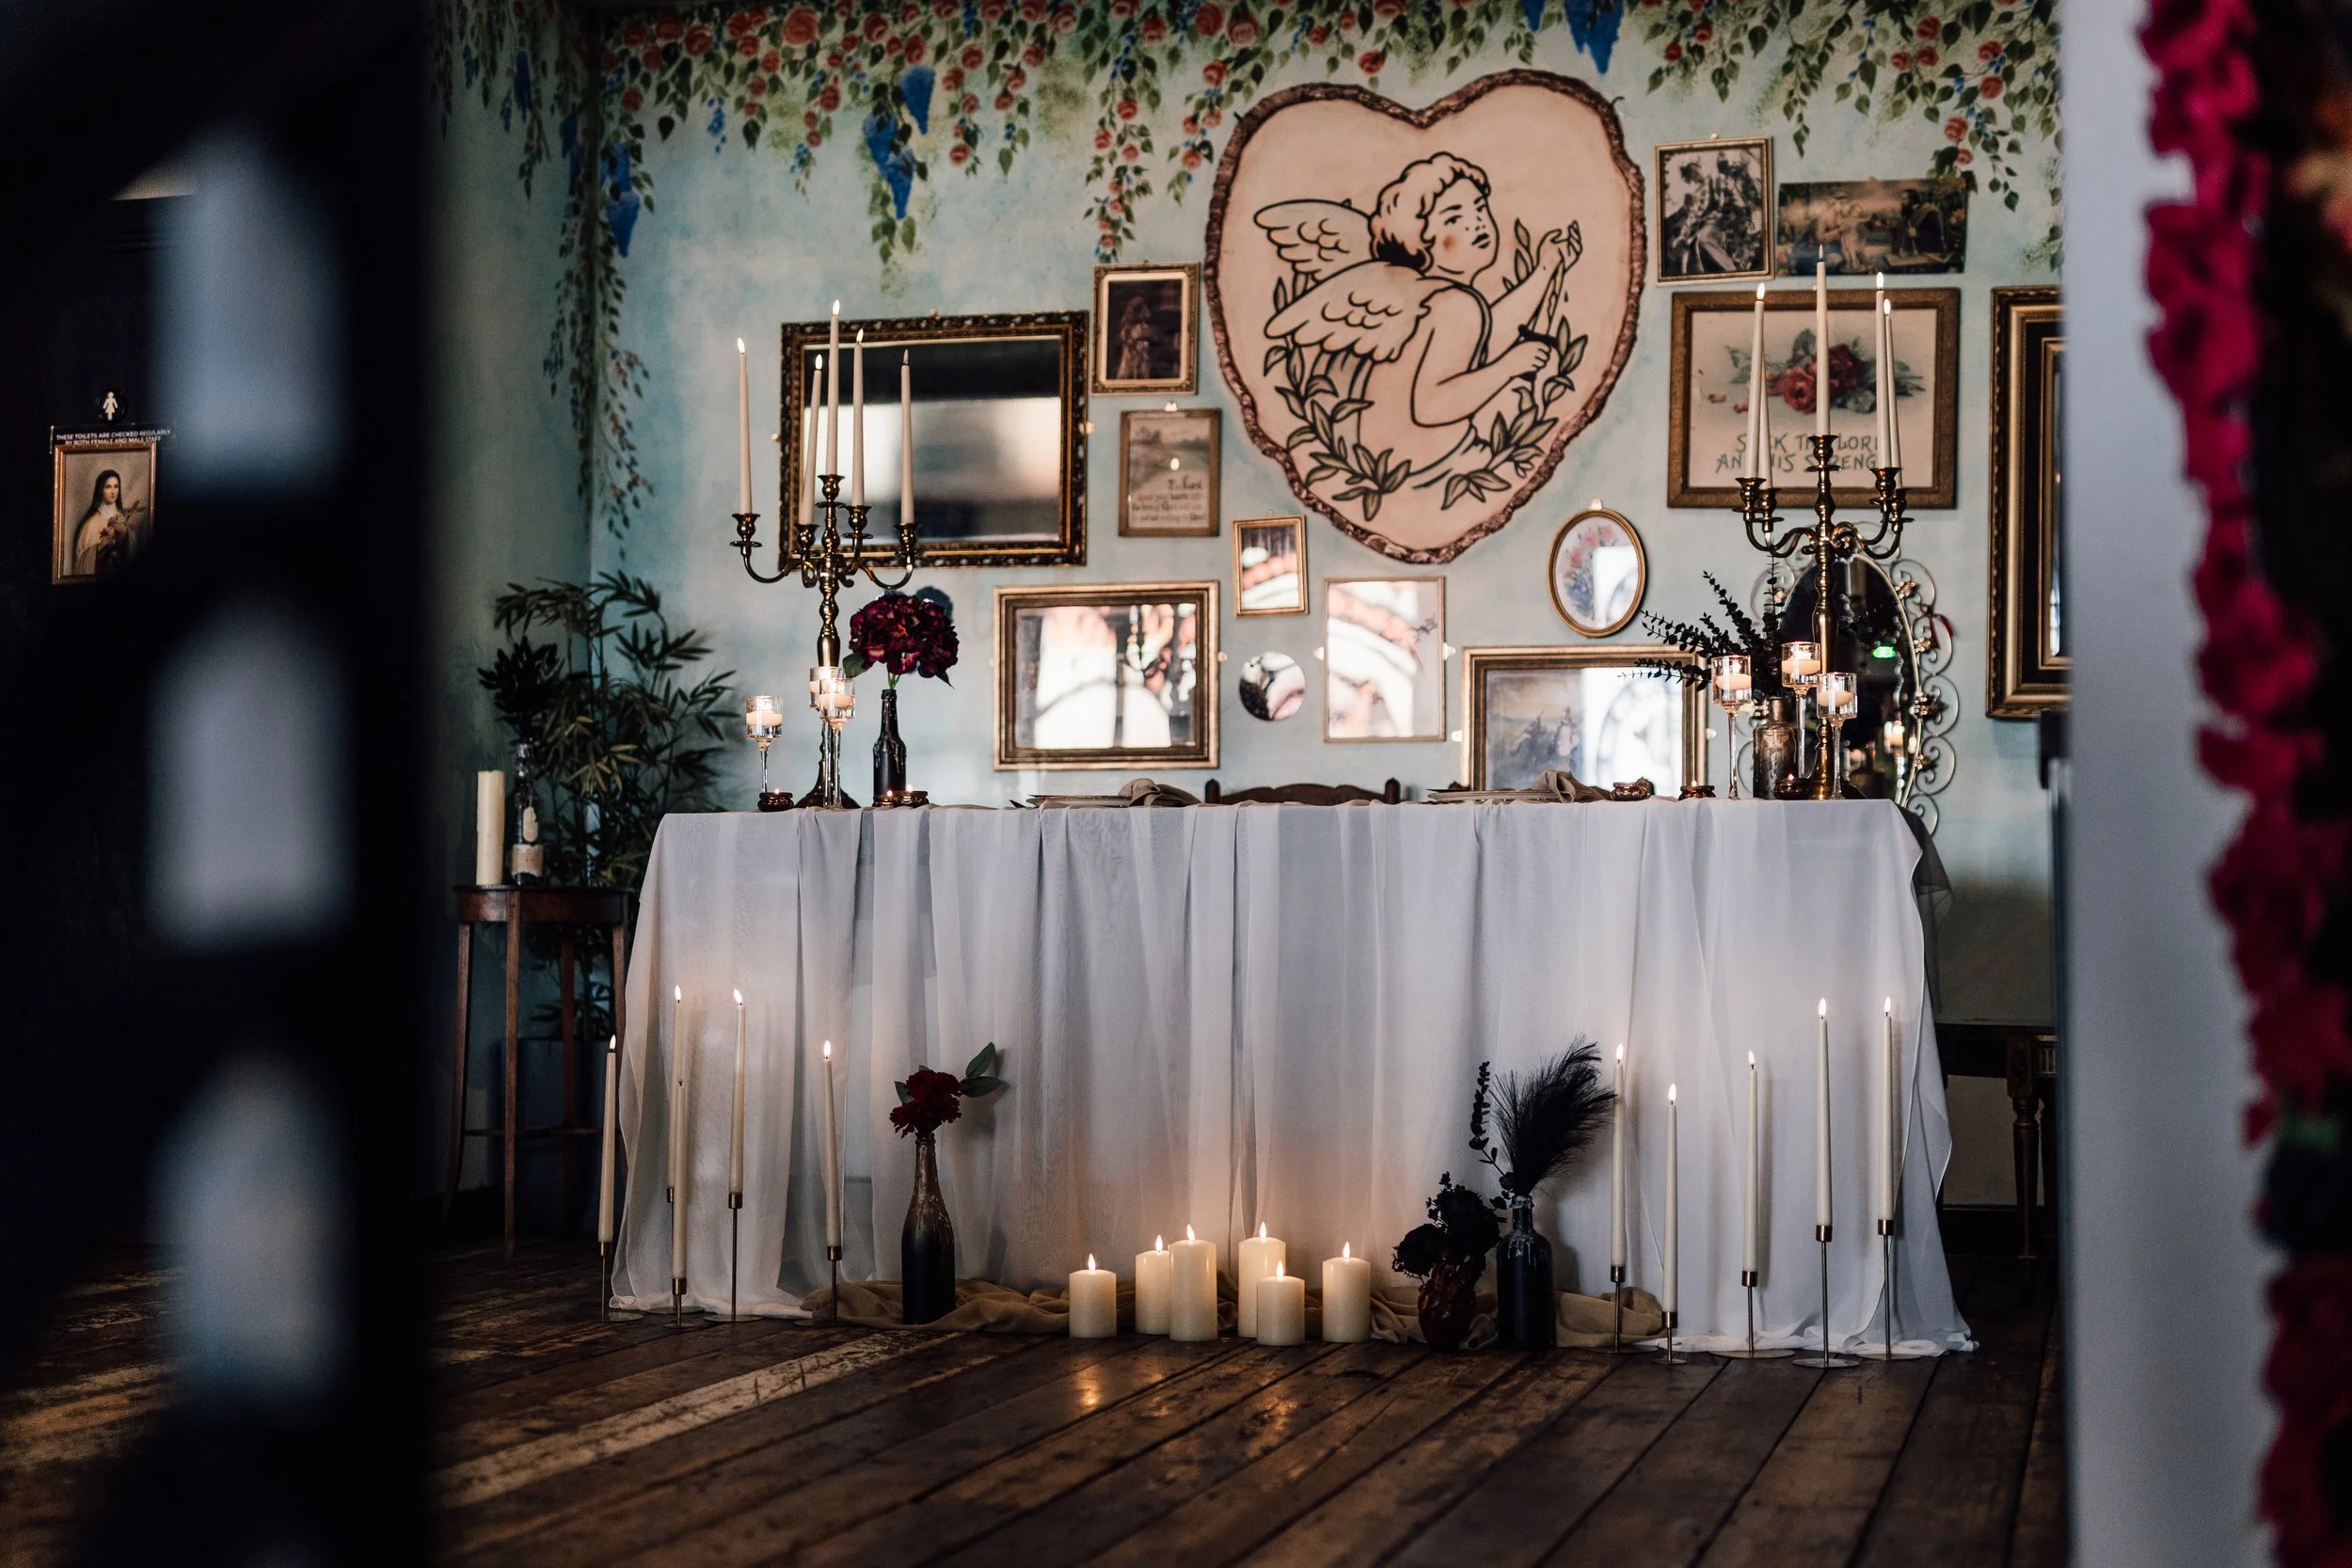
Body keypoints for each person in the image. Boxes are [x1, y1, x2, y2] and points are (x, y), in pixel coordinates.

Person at [1258, 152, 1576, 480]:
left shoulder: (1440, 298)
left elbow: (1486, 339)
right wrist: (1510, 366)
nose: (1476, 223)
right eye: (1454, 219)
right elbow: (1431, 406)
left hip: (1394, 463)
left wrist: (1546, 269)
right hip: (1430, 464)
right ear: (1421, 242)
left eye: (1479, 208)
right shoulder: (1455, 304)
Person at [71, 468, 146, 577]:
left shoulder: (123, 519)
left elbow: (134, 554)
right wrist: (98, 548)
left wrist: (125, 535)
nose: (113, 491)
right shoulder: (90, 524)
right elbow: (79, 561)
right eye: (108, 487)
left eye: (116, 486)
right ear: (100, 490)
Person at [1113, 293, 1160, 381]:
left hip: (1140, 359)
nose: (1146, 310)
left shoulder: (1142, 327)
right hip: (1132, 359)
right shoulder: (1130, 327)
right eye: (1143, 308)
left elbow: (1151, 340)